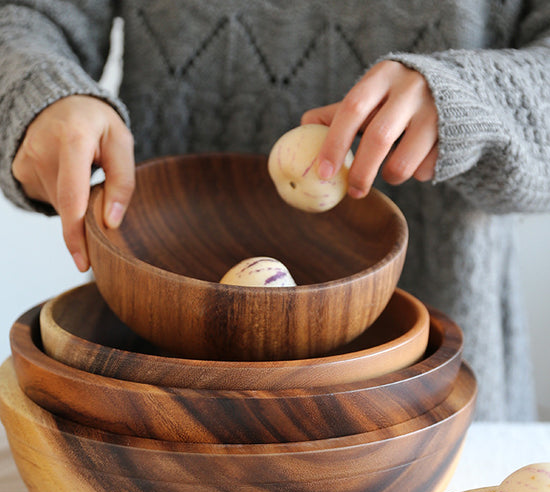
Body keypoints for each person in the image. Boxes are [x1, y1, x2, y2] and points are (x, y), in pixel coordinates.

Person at [1, 1, 549, 421]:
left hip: (429, 395)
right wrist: (41, 94)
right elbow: (28, 15)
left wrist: (474, 98)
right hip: (164, 381)